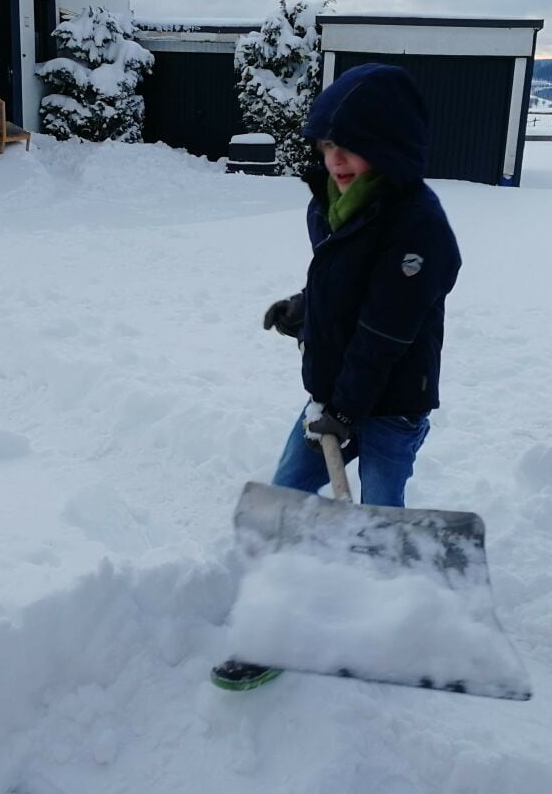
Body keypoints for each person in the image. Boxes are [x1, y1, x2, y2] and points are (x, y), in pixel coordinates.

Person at [212, 63, 462, 690]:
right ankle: (269, 619)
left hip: (392, 404)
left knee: (380, 514)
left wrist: (345, 411)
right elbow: (338, 284)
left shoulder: (417, 227)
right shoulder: (333, 204)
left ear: (388, 147)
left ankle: (398, 616)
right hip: (334, 398)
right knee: (286, 501)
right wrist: (303, 311)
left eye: (349, 147)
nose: (336, 160)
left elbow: (383, 334)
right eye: (326, 146)